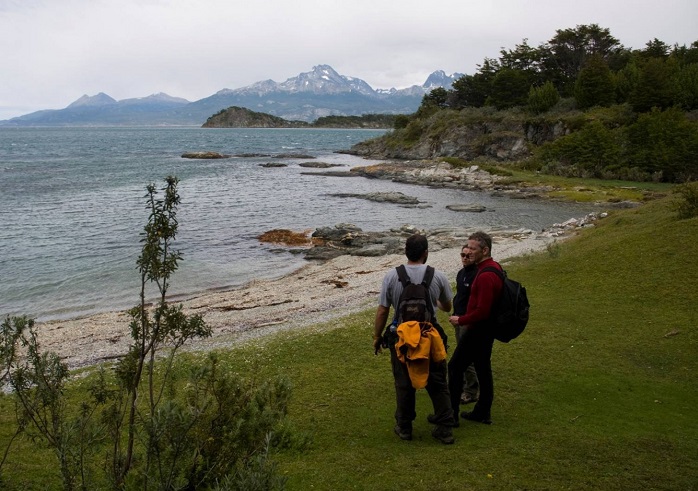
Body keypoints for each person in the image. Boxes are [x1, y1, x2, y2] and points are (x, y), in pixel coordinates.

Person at [373, 234, 455, 444]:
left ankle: (404, 427)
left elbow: (383, 310)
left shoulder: (392, 276)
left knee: (403, 382)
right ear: (425, 253)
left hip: (401, 337)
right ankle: (445, 428)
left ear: (406, 252)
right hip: (430, 336)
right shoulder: (438, 276)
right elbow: (447, 307)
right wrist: (435, 301)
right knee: (437, 381)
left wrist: (377, 336)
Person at [448, 231, 504, 425]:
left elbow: (483, 311)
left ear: (485, 250)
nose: (469, 252)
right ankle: (482, 412)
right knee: (482, 368)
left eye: (473, 248)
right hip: (485, 330)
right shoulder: (491, 268)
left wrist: (460, 320)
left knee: (454, 368)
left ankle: (451, 415)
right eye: (467, 248)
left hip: (478, 330)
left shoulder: (486, 275)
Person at [452, 245, 480, 406]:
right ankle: (462, 386)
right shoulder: (461, 273)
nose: (465, 257)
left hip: (467, 321)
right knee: (461, 354)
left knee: (466, 357)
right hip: (458, 318)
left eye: (468, 255)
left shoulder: (476, 275)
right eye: (463, 254)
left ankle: (471, 391)